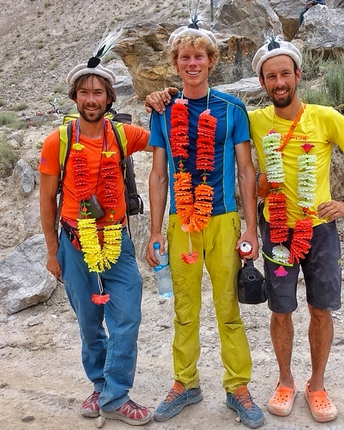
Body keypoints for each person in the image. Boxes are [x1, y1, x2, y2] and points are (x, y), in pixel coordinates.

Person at [144, 20, 264, 430]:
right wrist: (155, 230)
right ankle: (185, 382)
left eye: (199, 56)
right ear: (176, 64)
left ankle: (238, 387)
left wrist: (251, 228)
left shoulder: (232, 109)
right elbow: (158, 175)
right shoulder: (163, 111)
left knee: (229, 308)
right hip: (181, 223)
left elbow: (246, 172)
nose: (192, 63)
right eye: (184, 57)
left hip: (225, 221)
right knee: (184, 310)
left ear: (211, 62)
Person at [249, 37, 344, 423]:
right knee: (281, 309)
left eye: (285, 73)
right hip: (277, 231)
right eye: (271, 76)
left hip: (320, 231)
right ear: (263, 83)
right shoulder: (253, 120)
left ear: (298, 75)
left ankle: (316, 385)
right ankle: (285, 380)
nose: (279, 82)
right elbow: (213, 112)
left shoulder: (326, 117)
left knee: (321, 310)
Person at [39, 46, 153, 426]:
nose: (91, 99)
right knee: (90, 321)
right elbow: (47, 201)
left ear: (109, 98)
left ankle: (115, 395)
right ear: (75, 97)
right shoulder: (58, 141)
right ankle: (100, 385)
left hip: (117, 241)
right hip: (74, 242)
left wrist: (164, 99)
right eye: (84, 93)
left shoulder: (124, 135)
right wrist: (52, 253)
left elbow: (164, 138)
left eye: (98, 92)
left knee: (127, 316)